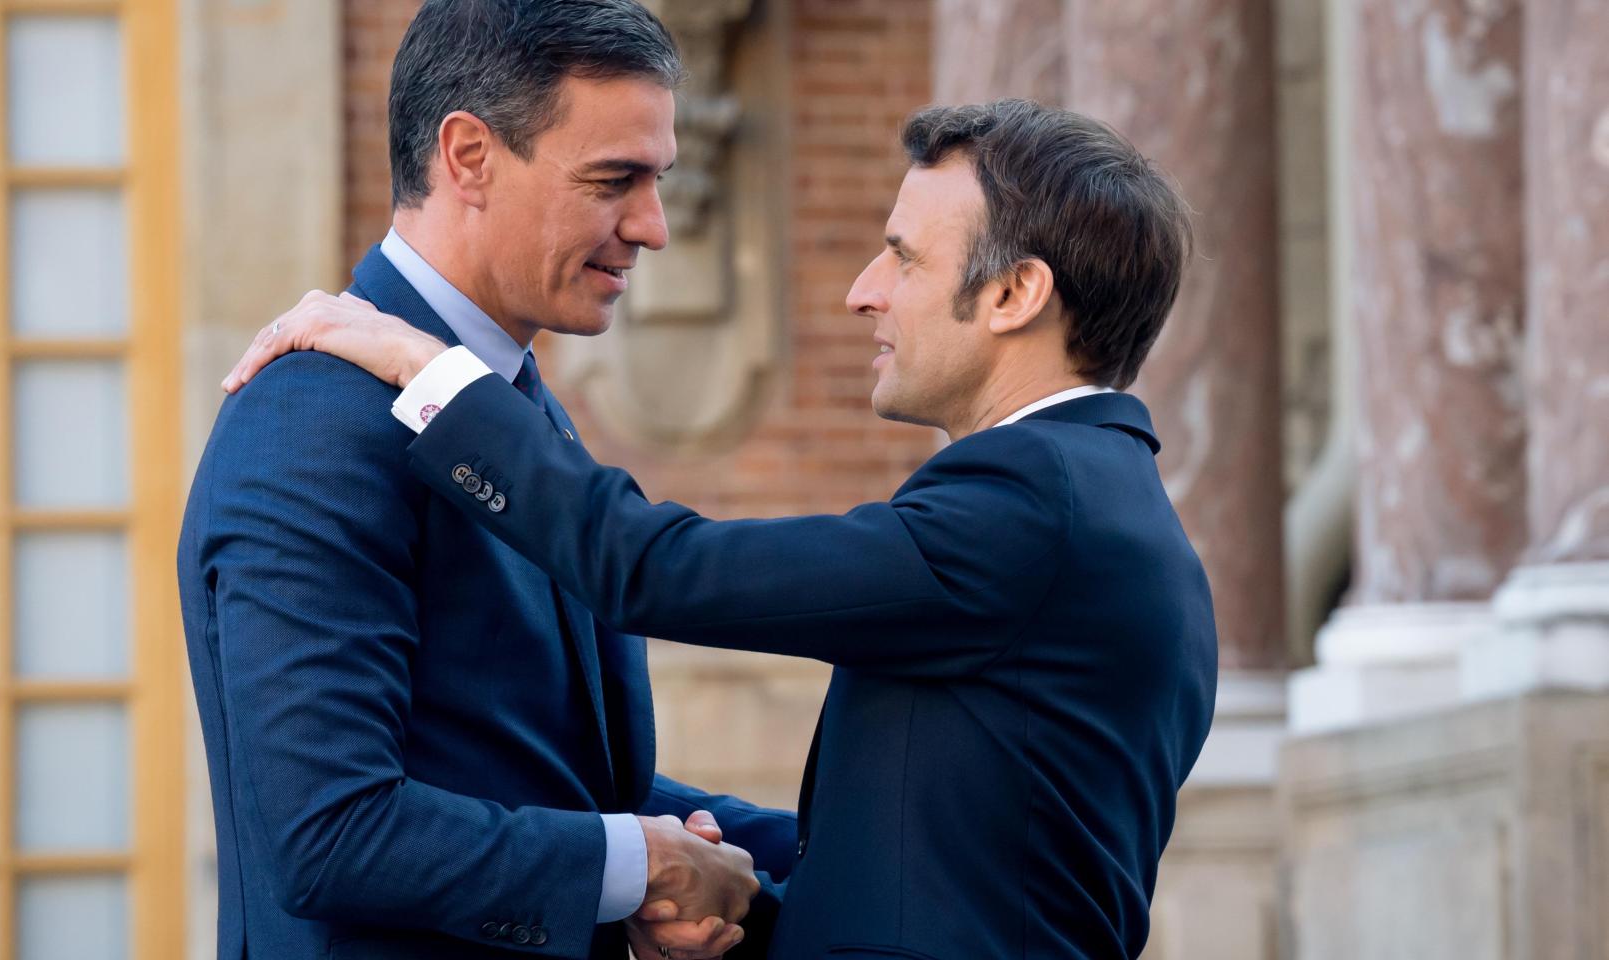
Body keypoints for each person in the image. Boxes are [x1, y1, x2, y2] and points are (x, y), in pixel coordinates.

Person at [230, 99, 1219, 959]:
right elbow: (931, 867)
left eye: (903, 257)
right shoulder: (1091, 504)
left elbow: (653, 568)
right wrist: (690, 873)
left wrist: (435, 374)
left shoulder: (1030, 512)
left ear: (1013, 295)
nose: (861, 289)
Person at [180, 3, 795, 958]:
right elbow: (330, 833)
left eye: (657, 179)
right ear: (467, 155)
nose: (655, 226)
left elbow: (549, 773)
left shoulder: (513, 404)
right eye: (613, 180)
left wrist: (852, 859)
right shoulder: (312, 422)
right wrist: (640, 862)